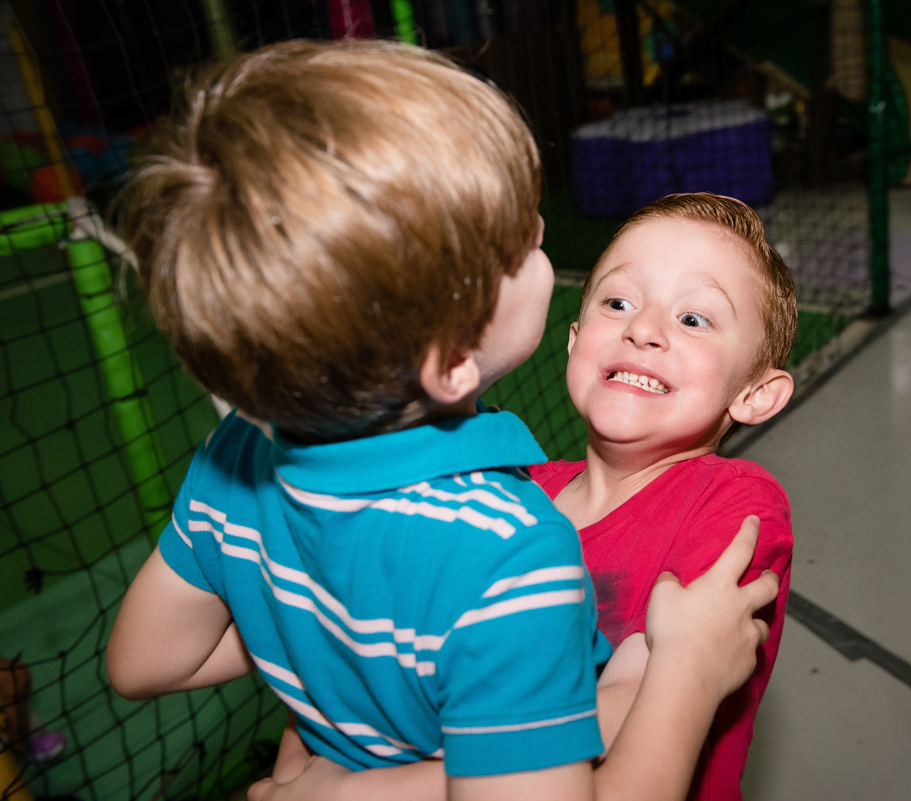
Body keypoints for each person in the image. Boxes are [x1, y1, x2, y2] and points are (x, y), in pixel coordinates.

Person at [104, 40, 778, 801]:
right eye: (519, 242)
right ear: (454, 359)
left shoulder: (235, 457)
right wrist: (686, 669)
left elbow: (143, 662)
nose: (540, 231)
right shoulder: (510, 551)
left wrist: (320, 628)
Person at [250, 192, 798, 801]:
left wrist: (360, 792)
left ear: (756, 394)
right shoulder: (509, 492)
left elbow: (622, 713)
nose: (642, 329)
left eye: (693, 319)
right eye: (618, 303)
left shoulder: (733, 505)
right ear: (575, 340)